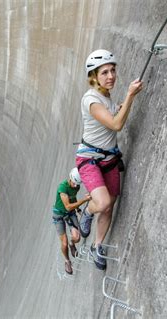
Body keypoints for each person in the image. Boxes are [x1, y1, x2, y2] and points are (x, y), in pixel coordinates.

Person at [76, 49, 143, 270]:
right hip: (90, 160)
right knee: (102, 203)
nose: (111, 76)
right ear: (93, 76)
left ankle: (97, 245)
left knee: (108, 206)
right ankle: (86, 212)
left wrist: (125, 103)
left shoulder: (105, 96)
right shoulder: (91, 100)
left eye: (113, 70)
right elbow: (115, 124)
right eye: (104, 72)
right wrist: (130, 95)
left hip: (109, 159)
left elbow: (116, 111)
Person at [52, 168, 92, 275]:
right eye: (74, 183)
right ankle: (67, 261)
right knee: (63, 243)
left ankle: (72, 243)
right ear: (70, 178)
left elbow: (73, 198)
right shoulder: (62, 187)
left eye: (77, 184)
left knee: (77, 237)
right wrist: (84, 200)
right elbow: (68, 206)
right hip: (59, 215)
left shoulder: (77, 186)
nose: (75, 186)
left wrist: (78, 209)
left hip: (69, 214)